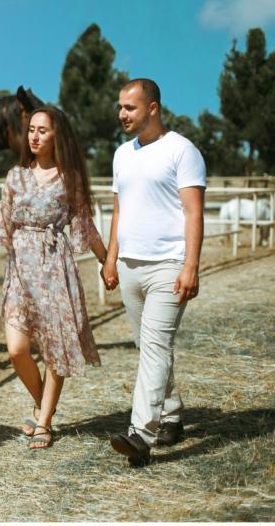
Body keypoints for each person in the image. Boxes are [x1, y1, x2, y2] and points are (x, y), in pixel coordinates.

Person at [0, 105, 109, 449]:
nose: (35, 136)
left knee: (56, 348)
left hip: (55, 267)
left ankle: (44, 422)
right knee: (17, 350)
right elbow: (2, 225)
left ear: (58, 135)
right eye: (31, 130)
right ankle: (44, 405)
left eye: (43, 130)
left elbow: (85, 227)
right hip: (20, 271)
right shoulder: (15, 176)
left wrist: (107, 262)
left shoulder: (70, 178)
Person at [102, 78, 206, 467]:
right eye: (120, 107)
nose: (122, 114)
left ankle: (141, 435)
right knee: (148, 347)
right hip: (129, 265)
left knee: (155, 346)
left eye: (129, 107)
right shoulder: (121, 154)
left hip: (168, 266)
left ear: (153, 108)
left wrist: (191, 266)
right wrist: (111, 258)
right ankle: (172, 415)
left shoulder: (182, 151)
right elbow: (119, 211)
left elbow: (193, 213)